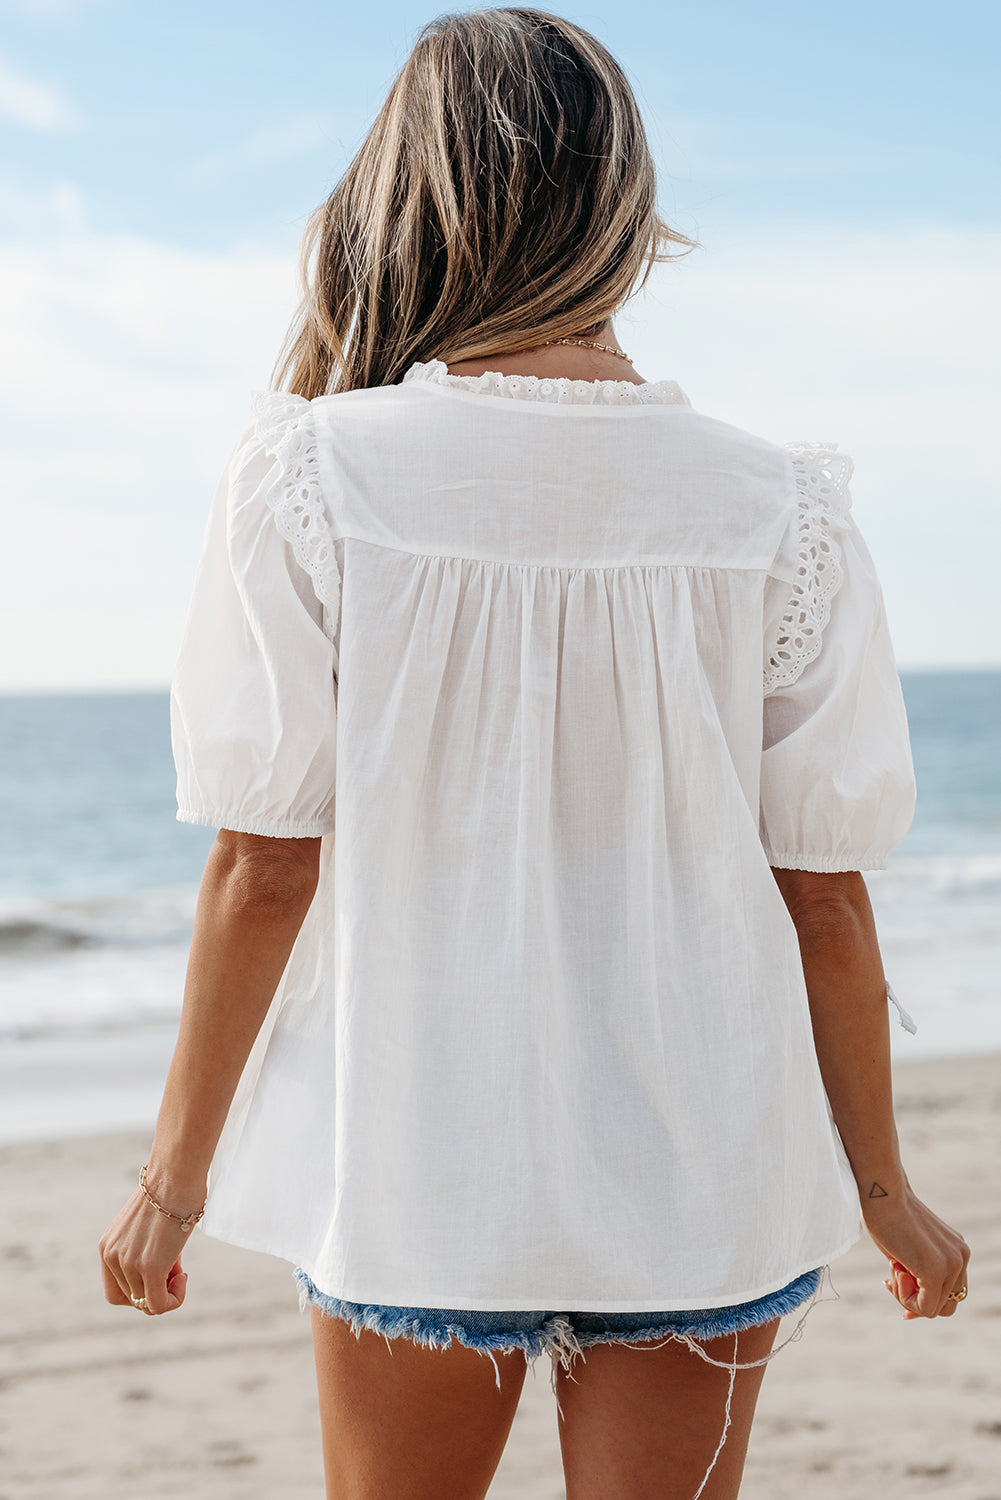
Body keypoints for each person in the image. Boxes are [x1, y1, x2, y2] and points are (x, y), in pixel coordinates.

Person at [99, 9, 970, 1498]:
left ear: (404, 195)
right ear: (623, 207)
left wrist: (171, 1189)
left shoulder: (309, 471)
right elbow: (821, 896)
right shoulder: (782, 507)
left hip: (419, 1159)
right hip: (708, 1166)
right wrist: (882, 1191)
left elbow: (261, 865)